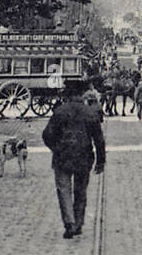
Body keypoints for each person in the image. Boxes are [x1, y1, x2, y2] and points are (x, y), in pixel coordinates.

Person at [41, 87, 105, 239]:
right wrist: (100, 161)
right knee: (80, 191)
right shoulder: (90, 113)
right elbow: (99, 139)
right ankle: (78, 223)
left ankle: (69, 222)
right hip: (84, 157)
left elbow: (47, 135)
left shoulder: (60, 111)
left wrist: (56, 148)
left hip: (62, 157)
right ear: (81, 95)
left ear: (68, 96)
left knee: (64, 190)